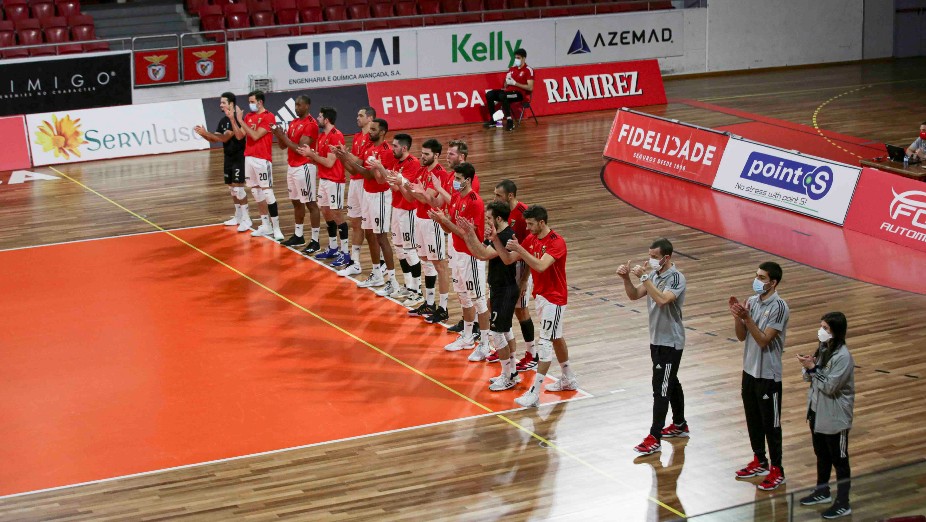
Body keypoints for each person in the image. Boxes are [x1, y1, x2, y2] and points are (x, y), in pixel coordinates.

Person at [494, 205, 578, 408]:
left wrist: (521, 249)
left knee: (546, 342)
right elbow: (508, 259)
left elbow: (540, 265)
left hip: (554, 299)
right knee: (556, 337)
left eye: (531, 224)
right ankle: (569, 378)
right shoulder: (531, 239)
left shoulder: (556, 242)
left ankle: (535, 393)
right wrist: (494, 239)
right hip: (541, 296)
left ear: (542, 222)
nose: (528, 227)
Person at [617, 238, 688, 456]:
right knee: (671, 380)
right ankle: (679, 425)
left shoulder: (676, 278)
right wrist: (626, 278)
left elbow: (662, 300)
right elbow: (634, 295)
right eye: (650, 256)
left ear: (667, 257)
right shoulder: (655, 275)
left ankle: (654, 436)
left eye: (655, 257)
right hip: (656, 339)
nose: (651, 260)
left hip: (670, 342)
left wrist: (645, 277)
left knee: (661, 389)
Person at [729, 261, 790, 491]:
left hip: (768, 376)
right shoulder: (752, 302)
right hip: (749, 371)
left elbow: (764, 340)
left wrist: (747, 318)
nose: (757, 280)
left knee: (771, 425)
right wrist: (737, 317)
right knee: (753, 419)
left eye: (762, 278)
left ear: (773, 282)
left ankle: (777, 469)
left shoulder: (780, 307)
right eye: (757, 276)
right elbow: (742, 337)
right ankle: (759, 460)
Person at [458, 201, 522, 391]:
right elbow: (479, 253)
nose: (486, 221)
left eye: (488, 218)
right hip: (498, 287)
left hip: (505, 289)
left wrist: (470, 234)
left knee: (497, 333)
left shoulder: (506, 236)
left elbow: (484, 255)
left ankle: (508, 376)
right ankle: (511, 372)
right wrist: (467, 235)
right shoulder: (497, 235)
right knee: (506, 330)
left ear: (499, 218)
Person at [428, 162, 490, 359]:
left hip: (471, 255)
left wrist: (445, 222)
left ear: (468, 180)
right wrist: (442, 221)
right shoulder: (455, 197)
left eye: (458, 179)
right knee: (463, 296)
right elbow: (451, 229)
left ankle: (486, 344)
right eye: (454, 178)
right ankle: (468, 337)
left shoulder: (475, 202)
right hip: (457, 253)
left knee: (478, 300)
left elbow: (467, 235)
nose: (454, 182)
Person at [797, 312, 855, 519]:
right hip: (817, 412)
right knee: (821, 455)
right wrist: (809, 366)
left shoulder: (843, 357)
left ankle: (843, 502)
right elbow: (811, 378)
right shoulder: (824, 349)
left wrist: (813, 369)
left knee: (839, 459)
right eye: (821, 326)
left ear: (836, 332)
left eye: (826, 328)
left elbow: (830, 386)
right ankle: (822, 491)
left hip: (835, 418)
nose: (821, 331)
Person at [397, 138, 452, 312]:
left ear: (436, 155)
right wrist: (401, 183)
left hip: (432, 221)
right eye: (422, 153)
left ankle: (442, 306)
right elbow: (411, 198)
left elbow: (429, 200)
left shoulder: (440, 174)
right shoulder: (421, 170)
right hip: (419, 219)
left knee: (439, 264)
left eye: (426, 154)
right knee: (427, 262)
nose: (423, 157)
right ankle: (429, 303)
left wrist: (410, 187)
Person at [488, 179, 537, 372]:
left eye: (498, 195)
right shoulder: (502, 215)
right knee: (498, 306)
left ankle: (532, 353)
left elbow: (530, 249)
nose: (495, 198)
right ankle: (505, 349)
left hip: (520, 266)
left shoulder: (525, 215)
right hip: (504, 267)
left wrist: (524, 279)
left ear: (510, 196)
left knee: (521, 310)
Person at [296, 107, 349, 264]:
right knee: (325, 211)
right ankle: (333, 247)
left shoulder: (336, 136)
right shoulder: (321, 136)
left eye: (320, 116)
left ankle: (345, 252)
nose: (317, 118)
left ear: (326, 119)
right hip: (324, 179)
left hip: (335, 180)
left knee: (337, 214)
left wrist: (312, 155)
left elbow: (330, 162)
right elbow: (320, 158)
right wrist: (310, 155)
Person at [230, 90, 284, 241]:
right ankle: (265, 225)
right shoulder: (248, 116)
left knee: (267, 192)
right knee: (256, 192)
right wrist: (234, 120)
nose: (250, 104)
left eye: (252, 101)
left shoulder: (269, 116)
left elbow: (255, 135)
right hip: (249, 158)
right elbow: (240, 135)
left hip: (262, 159)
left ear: (260, 102)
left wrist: (241, 121)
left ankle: (276, 228)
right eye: (249, 102)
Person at [193, 92, 249, 232]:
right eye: (221, 102)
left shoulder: (237, 119)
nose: (221, 105)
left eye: (223, 102)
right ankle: (237, 216)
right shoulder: (223, 121)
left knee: (239, 189)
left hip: (238, 157)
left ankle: (246, 219)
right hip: (228, 157)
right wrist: (205, 135)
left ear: (231, 104)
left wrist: (207, 134)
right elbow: (215, 139)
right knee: (232, 189)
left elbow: (224, 138)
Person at [270, 95, 319, 248]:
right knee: (296, 202)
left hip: (304, 166)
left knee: (310, 203)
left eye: (299, 105)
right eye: (295, 105)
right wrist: (279, 136)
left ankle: (315, 240)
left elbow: (300, 149)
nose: (296, 107)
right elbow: (284, 146)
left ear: (307, 106)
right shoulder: (294, 122)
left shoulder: (311, 124)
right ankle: (299, 235)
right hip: (292, 166)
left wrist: (283, 136)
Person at [377, 132, 421, 299]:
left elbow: (400, 188)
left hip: (408, 210)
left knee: (410, 251)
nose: (392, 148)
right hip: (397, 209)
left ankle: (417, 290)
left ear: (404, 147)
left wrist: (382, 169)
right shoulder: (396, 162)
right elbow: (392, 185)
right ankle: (408, 285)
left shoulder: (413, 163)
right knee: (400, 250)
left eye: (395, 146)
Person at [356, 119, 398, 289]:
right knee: (369, 233)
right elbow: (366, 174)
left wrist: (375, 169)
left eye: (373, 129)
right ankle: (377, 274)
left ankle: (393, 281)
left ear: (382, 132)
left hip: (380, 196)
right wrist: (346, 159)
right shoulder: (369, 149)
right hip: (367, 193)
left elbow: (381, 180)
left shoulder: (386, 151)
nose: (369, 132)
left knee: (381, 237)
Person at [444, 139, 481, 334]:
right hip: (455, 238)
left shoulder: (470, 185)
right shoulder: (455, 180)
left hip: (467, 242)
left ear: (462, 156)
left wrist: (446, 221)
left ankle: (475, 327)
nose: (447, 157)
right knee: (459, 283)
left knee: (472, 288)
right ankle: (468, 322)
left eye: (451, 154)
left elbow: (468, 226)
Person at [335, 107, 376, 274]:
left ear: (370, 118)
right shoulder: (357, 137)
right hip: (354, 183)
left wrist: (346, 154)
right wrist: (341, 157)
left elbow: (362, 163)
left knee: (369, 226)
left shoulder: (371, 138)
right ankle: (356, 262)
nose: (357, 118)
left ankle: (378, 263)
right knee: (355, 223)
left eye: (360, 115)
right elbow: (353, 169)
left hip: (366, 185)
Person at [482, 48, 534, 131]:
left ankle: (510, 121)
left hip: (519, 94)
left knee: (503, 96)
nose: (516, 60)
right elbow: (505, 86)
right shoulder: (512, 69)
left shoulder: (528, 70)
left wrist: (515, 83)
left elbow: (530, 88)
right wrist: (507, 80)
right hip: (508, 92)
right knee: (489, 94)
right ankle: (494, 120)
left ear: (523, 58)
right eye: (515, 58)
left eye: (518, 58)